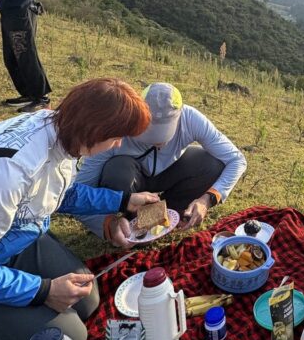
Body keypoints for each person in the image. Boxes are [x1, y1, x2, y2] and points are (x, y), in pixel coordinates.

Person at [0, 78, 160, 340]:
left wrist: (123, 201)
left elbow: (57, 193)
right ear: (95, 130)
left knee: (87, 299)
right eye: (116, 136)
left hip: (12, 240)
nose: (118, 144)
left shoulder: (61, 132)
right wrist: (44, 291)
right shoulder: (8, 174)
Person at [76, 82, 247, 245]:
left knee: (211, 163)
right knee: (117, 171)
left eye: (163, 136)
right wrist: (106, 224)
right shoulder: (117, 129)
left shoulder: (190, 119)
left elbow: (236, 160)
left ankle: (166, 215)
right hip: (131, 181)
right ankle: (129, 223)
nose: (156, 142)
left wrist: (207, 199)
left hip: (169, 173)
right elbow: (77, 191)